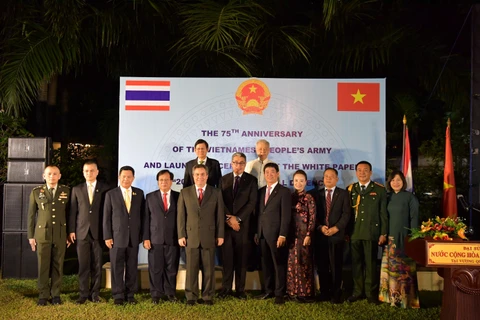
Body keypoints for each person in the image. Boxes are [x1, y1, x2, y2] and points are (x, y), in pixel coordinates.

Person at [177, 164, 225, 305]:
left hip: (209, 236)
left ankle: (207, 296)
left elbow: (220, 216)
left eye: (202, 174)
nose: (200, 177)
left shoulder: (216, 192)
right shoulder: (184, 192)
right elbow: (181, 216)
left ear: (207, 176)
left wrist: (220, 234)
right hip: (191, 237)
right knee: (191, 269)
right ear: (193, 176)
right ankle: (191, 296)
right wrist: (181, 235)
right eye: (197, 174)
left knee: (209, 269)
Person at [27, 165, 70, 306]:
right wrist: (31, 236)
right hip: (42, 234)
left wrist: (69, 233)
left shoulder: (66, 191)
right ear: (44, 176)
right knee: (43, 265)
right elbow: (31, 216)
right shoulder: (36, 192)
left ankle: (56, 294)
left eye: (55, 174)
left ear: (59, 175)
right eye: (49, 174)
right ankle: (43, 295)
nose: (52, 176)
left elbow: (70, 215)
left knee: (58, 265)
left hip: (60, 233)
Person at [68, 160, 109, 304]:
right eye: (86, 171)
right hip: (81, 233)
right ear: (83, 172)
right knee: (83, 265)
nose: (89, 173)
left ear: (97, 172)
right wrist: (71, 230)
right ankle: (83, 294)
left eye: (92, 170)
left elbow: (107, 213)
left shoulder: (105, 189)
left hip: (98, 233)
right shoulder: (76, 189)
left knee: (97, 265)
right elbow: (73, 211)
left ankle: (95, 294)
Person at [347, 161, 388, 304]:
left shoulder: (379, 190)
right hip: (354, 233)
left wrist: (383, 233)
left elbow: (383, 214)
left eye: (365, 170)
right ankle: (357, 292)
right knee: (356, 264)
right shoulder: (350, 189)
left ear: (370, 173)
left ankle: (371, 293)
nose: (362, 173)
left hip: (371, 233)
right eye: (359, 170)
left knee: (370, 264)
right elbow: (348, 214)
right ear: (356, 172)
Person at [103, 166, 145, 305]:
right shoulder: (111, 194)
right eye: (123, 176)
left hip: (133, 238)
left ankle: (130, 294)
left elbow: (143, 217)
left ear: (133, 178)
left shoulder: (139, 194)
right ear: (119, 178)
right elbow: (106, 217)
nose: (126, 179)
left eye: (129, 177)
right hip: (116, 238)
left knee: (132, 267)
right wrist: (107, 236)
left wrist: (142, 235)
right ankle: (118, 295)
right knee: (117, 267)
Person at [218, 152, 257, 299]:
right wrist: (230, 219)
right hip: (227, 227)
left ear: (245, 164)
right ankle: (226, 288)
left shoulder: (251, 180)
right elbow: (219, 201)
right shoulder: (223, 179)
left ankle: (240, 290)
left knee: (241, 260)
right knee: (227, 259)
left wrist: (238, 219)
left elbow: (252, 202)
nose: (238, 165)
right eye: (235, 162)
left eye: (241, 163)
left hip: (243, 227)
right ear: (231, 163)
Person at [379, 170, 420, 308]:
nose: (396, 183)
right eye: (393, 180)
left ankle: (407, 300)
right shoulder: (387, 196)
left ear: (403, 182)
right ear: (389, 182)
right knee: (391, 270)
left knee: (405, 270)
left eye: (398, 180)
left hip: (404, 238)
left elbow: (414, 218)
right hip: (390, 238)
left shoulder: (410, 197)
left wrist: (412, 237)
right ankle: (391, 298)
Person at [309, 168, 351, 304]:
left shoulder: (344, 194)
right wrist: (320, 227)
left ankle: (336, 293)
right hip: (321, 235)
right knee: (322, 265)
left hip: (336, 236)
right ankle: (324, 292)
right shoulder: (317, 195)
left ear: (337, 179)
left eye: (331, 176)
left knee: (336, 266)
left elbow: (346, 214)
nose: (328, 179)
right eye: (326, 176)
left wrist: (336, 228)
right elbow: (313, 215)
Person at [255, 162, 292, 305]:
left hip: (277, 235)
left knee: (279, 264)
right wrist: (257, 232)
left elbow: (286, 216)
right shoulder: (261, 191)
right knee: (266, 264)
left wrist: (282, 234)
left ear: (277, 174)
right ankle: (268, 290)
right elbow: (260, 214)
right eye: (267, 172)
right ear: (264, 175)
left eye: (272, 172)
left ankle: (279, 293)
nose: (269, 174)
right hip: (262, 234)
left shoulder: (284, 192)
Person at [143, 170, 180, 304]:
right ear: (158, 182)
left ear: (171, 181)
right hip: (154, 239)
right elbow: (146, 219)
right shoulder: (150, 197)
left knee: (171, 268)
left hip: (173, 239)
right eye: (161, 180)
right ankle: (156, 295)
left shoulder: (179, 196)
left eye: (166, 180)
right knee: (155, 268)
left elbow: (181, 219)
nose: (164, 182)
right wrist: (146, 237)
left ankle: (170, 293)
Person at [286, 170, 316, 302]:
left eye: (301, 181)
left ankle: (305, 293)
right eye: (296, 181)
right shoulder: (290, 196)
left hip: (304, 236)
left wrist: (309, 234)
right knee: (292, 263)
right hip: (292, 236)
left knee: (304, 263)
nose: (298, 183)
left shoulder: (309, 198)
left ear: (306, 182)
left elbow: (313, 218)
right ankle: (293, 292)